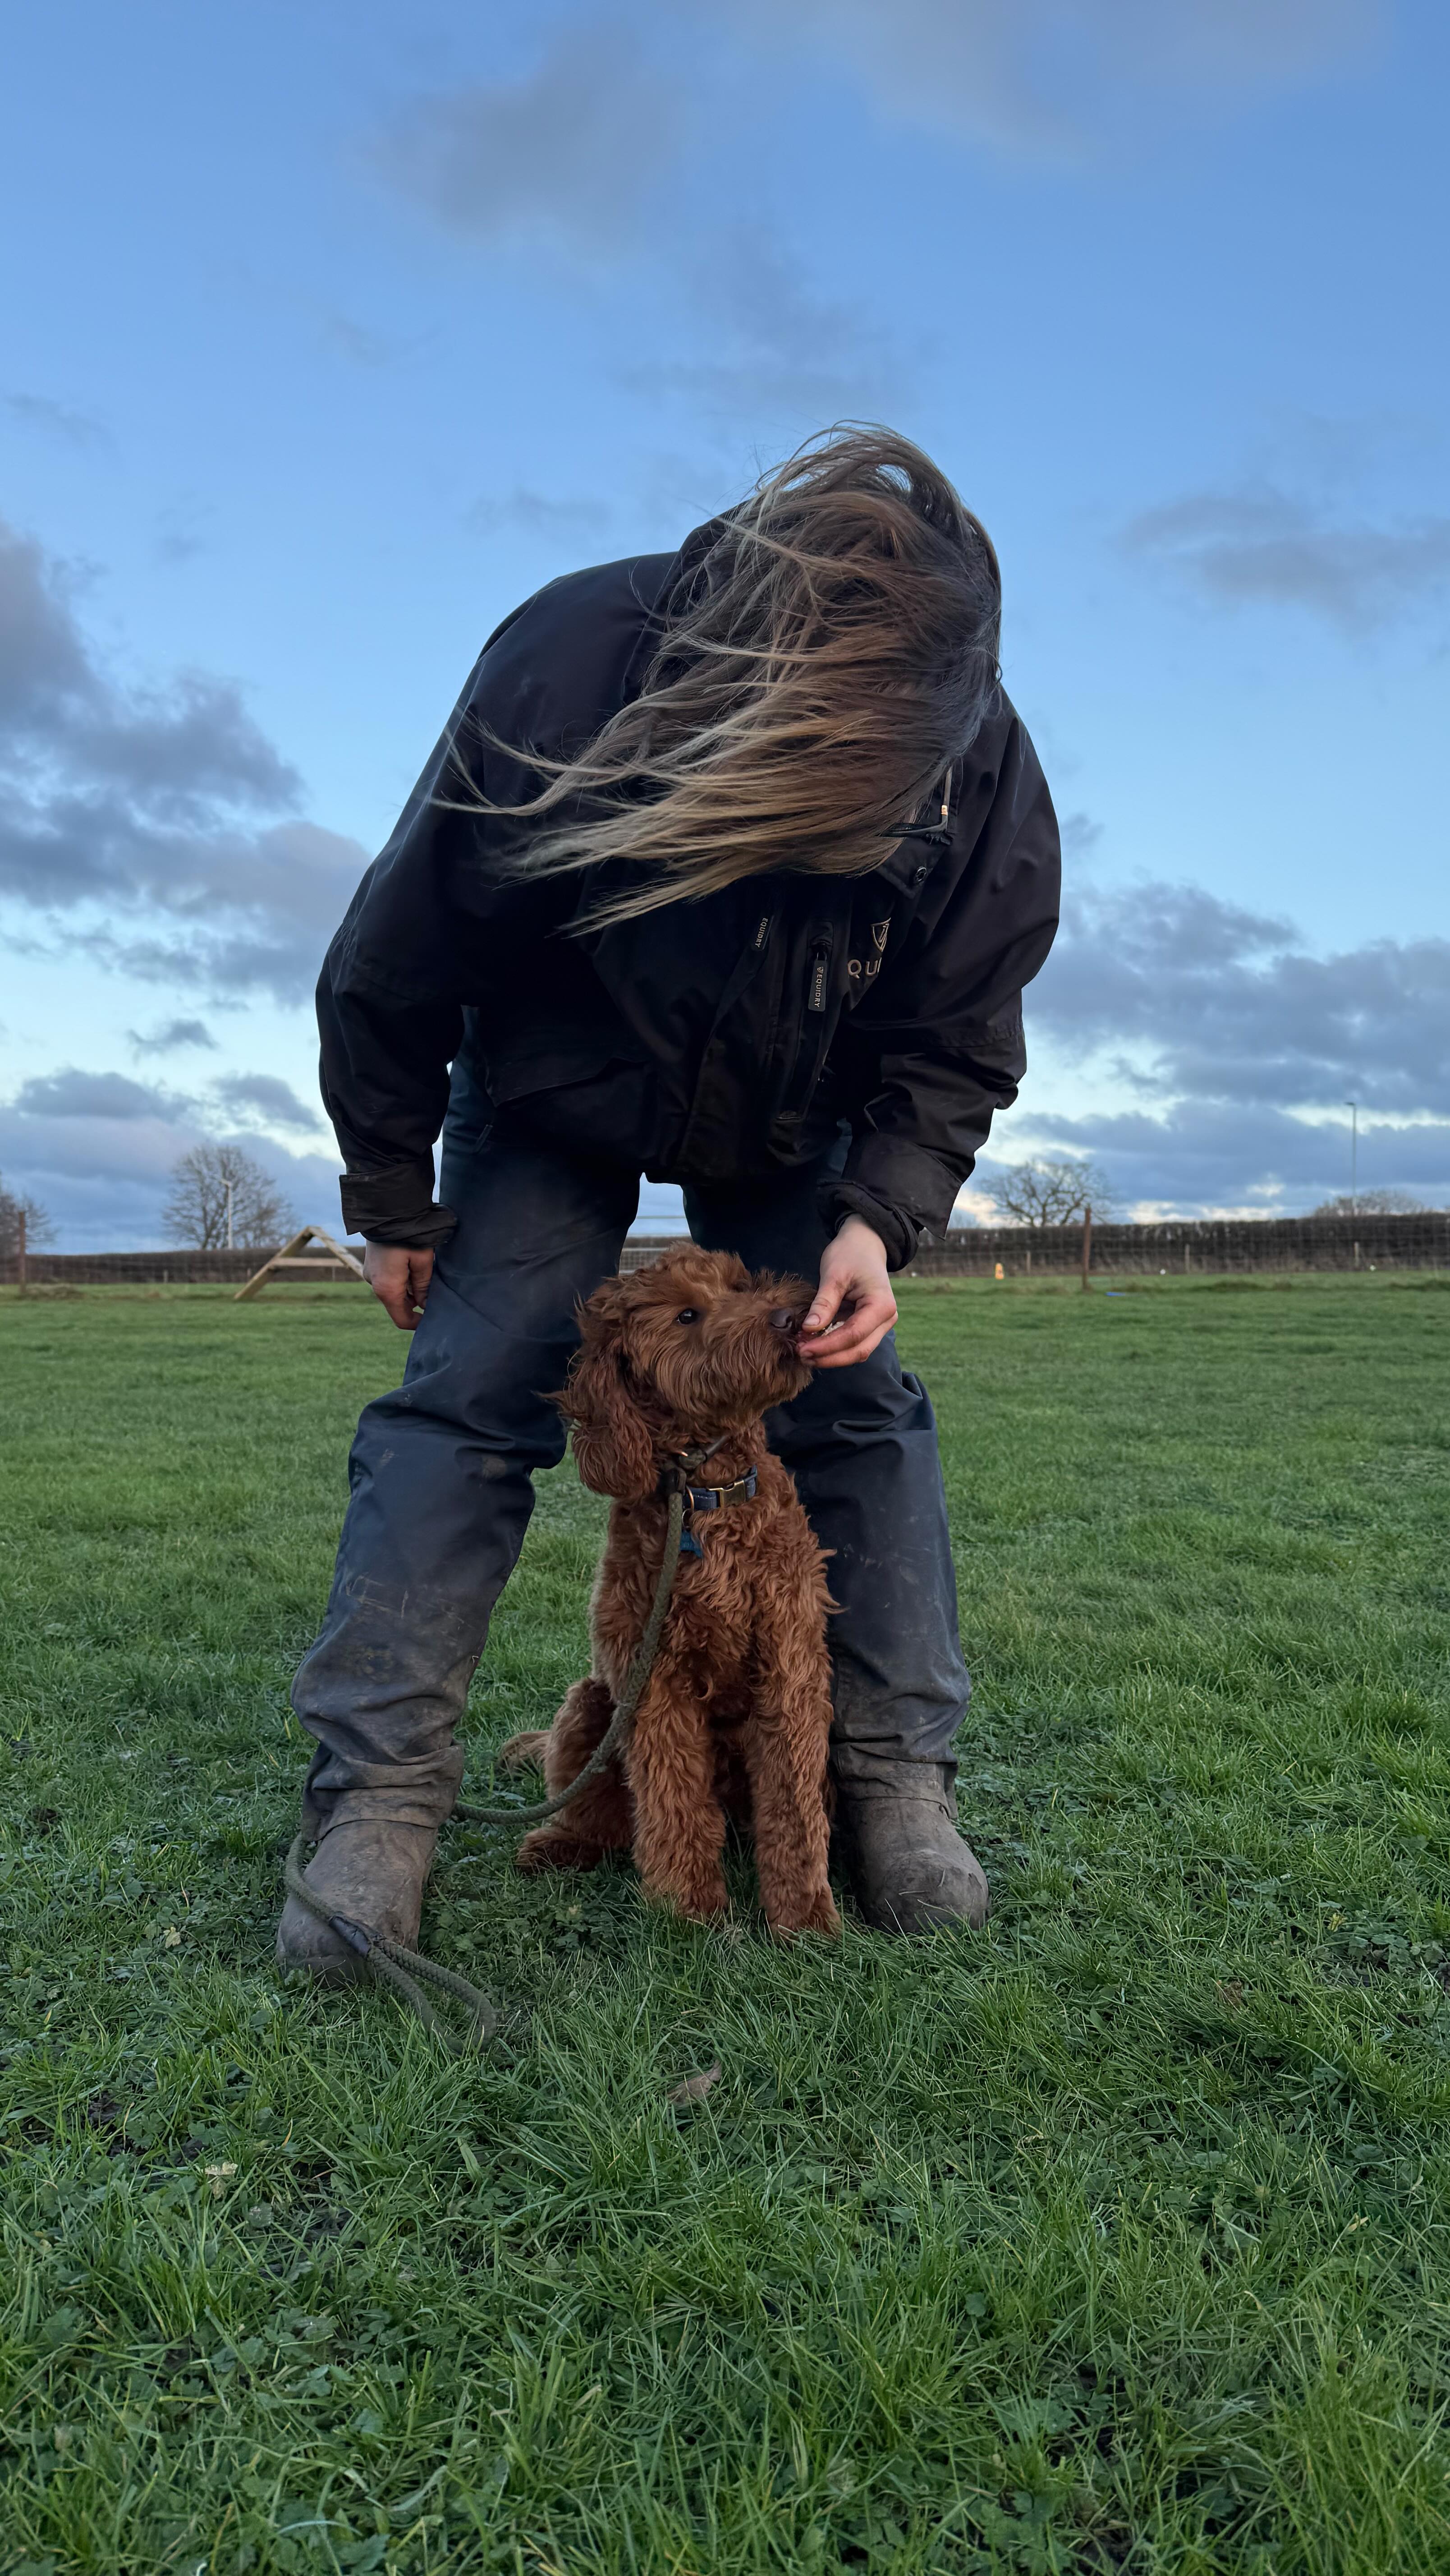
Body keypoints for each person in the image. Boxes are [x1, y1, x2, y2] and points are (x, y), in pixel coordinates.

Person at [276, 426, 1060, 1974]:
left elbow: (961, 1034)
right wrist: (392, 1193)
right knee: (473, 1391)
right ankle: (377, 1796)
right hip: (551, 1085)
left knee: (859, 1398)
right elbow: (397, 952)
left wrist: (875, 1219)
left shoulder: (973, 760)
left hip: (796, 1103)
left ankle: (893, 1773)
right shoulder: (568, 664)